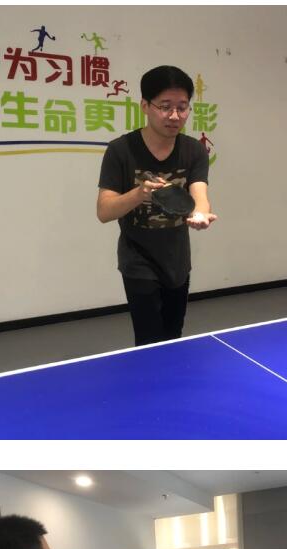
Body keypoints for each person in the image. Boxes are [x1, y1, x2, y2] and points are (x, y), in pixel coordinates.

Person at [97, 65, 218, 346]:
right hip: (137, 260)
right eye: (165, 107)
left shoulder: (194, 150)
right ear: (145, 106)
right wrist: (139, 193)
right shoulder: (120, 150)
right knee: (149, 338)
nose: (174, 116)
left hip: (178, 261)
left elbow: (199, 192)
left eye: (182, 107)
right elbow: (104, 211)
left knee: (173, 336)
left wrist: (201, 213)